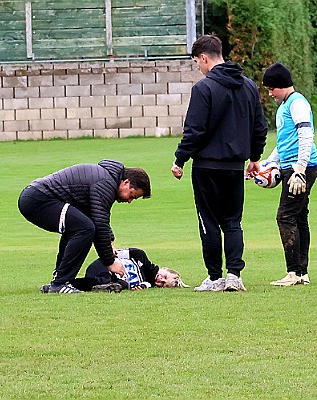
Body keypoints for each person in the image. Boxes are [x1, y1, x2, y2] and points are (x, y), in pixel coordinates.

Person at [171, 34, 267, 292]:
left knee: (209, 221)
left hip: (206, 166)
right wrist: (255, 158)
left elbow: (194, 130)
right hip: (235, 166)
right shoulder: (248, 86)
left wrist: (180, 159)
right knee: (233, 221)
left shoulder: (204, 88)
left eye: (197, 63)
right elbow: (260, 126)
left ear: (204, 58)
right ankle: (234, 275)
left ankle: (215, 277)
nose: (199, 68)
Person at [18, 160, 151, 293]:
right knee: (85, 228)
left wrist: (109, 240)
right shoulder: (105, 183)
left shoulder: (106, 178)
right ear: (126, 182)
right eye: (132, 195)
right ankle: (60, 283)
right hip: (38, 200)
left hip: (34, 197)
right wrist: (110, 262)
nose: (129, 201)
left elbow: (96, 214)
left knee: (78, 226)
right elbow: (99, 223)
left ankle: (60, 281)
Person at [261, 62, 317, 286]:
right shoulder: (286, 105)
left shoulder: (297, 104)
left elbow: (306, 135)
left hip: (300, 168)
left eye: (270, 89)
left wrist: (300, 170)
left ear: (281, 85)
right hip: (292, 166)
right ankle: (302, 273)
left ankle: (293, 272)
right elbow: (285, 142)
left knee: (284, 216)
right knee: (299, 216)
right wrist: (267, 163)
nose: (270, 93)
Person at [40, 247, 188, 293]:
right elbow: (111, 253)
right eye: (165, 277)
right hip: (104, 266)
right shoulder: (140, 256)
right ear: (165, 269)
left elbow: (144, 286)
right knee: (104, 279)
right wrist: (113, 262)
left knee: (119, 285)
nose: (160, 280)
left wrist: (140, 287)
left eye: (163, 284)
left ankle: (103, 288)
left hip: (113, 280)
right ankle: (60, 285)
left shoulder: (147, 284)